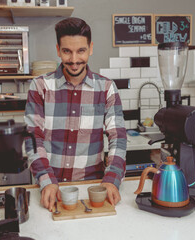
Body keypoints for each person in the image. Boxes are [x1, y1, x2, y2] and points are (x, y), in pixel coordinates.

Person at [24, 17, 127, 212]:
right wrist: (47, 181)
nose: (73, 60)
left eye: (81, 50)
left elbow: (118, 138)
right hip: (49, 187)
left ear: (91, 48)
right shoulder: (39, 86)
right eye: (66, 51)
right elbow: (32, 138)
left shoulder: (106, 88)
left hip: (92, 188)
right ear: (58, 50)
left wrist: (112, 179)